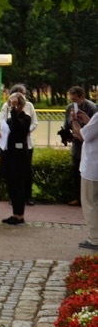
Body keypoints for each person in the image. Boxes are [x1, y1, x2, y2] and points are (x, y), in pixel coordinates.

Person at [0, 84, 38, 205]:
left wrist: (24, 132)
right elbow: (1, 121)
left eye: (24, 93)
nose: (23, 95)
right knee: (11, 172)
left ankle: (27, 196)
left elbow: (33, 123)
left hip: (25, 143)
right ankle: (13, 196)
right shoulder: (7, 106)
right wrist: (4, 132)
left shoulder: (28, 107)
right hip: (10, 144)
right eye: (21, 93)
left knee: (25, 171)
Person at [0, 92, 33, 225]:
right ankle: (15, 213)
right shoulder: (8, 120)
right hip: (9, 156)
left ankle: (20, 214)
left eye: (15, 104)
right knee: (11, 185)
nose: (13, 106)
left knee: (18, 186)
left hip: (19, 157)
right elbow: (8, 132)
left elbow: (19, 128)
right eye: (11, 104)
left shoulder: (26, 118)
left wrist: (13, 111)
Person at [63, 86, 97, 206]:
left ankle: (88, 200)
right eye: (71, 100)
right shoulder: (70, 108)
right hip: (77, 146)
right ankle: (78, 197)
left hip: (89, 146)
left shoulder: (92, 108)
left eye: (75, 100)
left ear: (82, 97)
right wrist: (66, 136)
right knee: (76, 171)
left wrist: (76, 123)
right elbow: (66, 126)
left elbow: (89, 131)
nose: (73, 102)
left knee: (87, 175)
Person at [71, 106, 98, 250]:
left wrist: (74, 121)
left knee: (90, 204)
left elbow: (82, 136)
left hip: (93, 168)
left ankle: (94, 239)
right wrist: (88, 121)